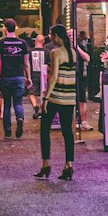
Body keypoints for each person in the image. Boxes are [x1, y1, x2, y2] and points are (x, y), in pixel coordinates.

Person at [35, 24, 78, 182]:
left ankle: (46, 164)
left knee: (44, 129)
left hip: (55, 97)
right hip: (70, 97)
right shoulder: (72, 53)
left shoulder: (55, 52)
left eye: (52, 36)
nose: (51, 39)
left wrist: (45, 97)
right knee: (67, 132)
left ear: (57, 36)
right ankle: (69, 165)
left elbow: (53, 77)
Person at [0, 18, 32, 139]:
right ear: (15, 28)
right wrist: (28, 77)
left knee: (7, 104)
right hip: (19, 77)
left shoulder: (0, 44)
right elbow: (26, 63)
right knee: (18, 103)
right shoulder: (23, 43)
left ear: (5, 29)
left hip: (5, 77)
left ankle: (8, 131)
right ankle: (20, 118)